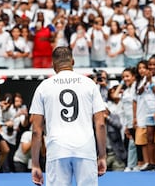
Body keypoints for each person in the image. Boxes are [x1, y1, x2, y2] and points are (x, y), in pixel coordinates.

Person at [30, 46, 107, 186]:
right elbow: (100, 124)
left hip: (57, 148)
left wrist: (35, 164)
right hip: (85, 147)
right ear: (73, 62)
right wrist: (102, 155)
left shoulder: (44, 86)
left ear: (53, 65)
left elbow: (36, 130)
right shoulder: (89, 84)